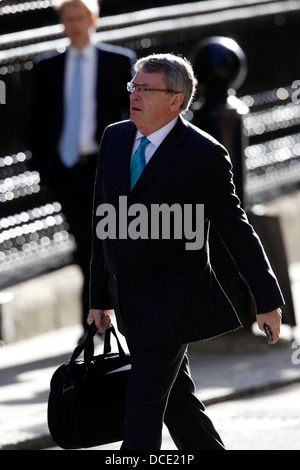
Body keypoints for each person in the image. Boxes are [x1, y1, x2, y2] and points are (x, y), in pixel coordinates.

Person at [87, 53, 284, 450]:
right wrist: (98, 297)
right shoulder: (115, 138)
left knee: (140, 415)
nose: (134, 95)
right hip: (130, 300)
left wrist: (266, 299)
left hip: (174, 302)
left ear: (175, 100)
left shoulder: (203, 154)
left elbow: (235, 229)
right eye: (134, 87)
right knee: (180, 408)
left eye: (146, 89)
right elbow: (101, 223)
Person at [28, 0, 136, 342]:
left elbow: (133, 116)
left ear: (94, 20)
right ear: (62, 23)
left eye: (80, 18)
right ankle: (94, 321)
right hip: (67, 171)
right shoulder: (46, 67)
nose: (74, 25)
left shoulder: (118, 62)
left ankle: (101, 319)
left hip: (104, 167)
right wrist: (47, 167)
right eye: (68, 19)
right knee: (85, 244)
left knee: (107, 242)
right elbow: (34, 121)